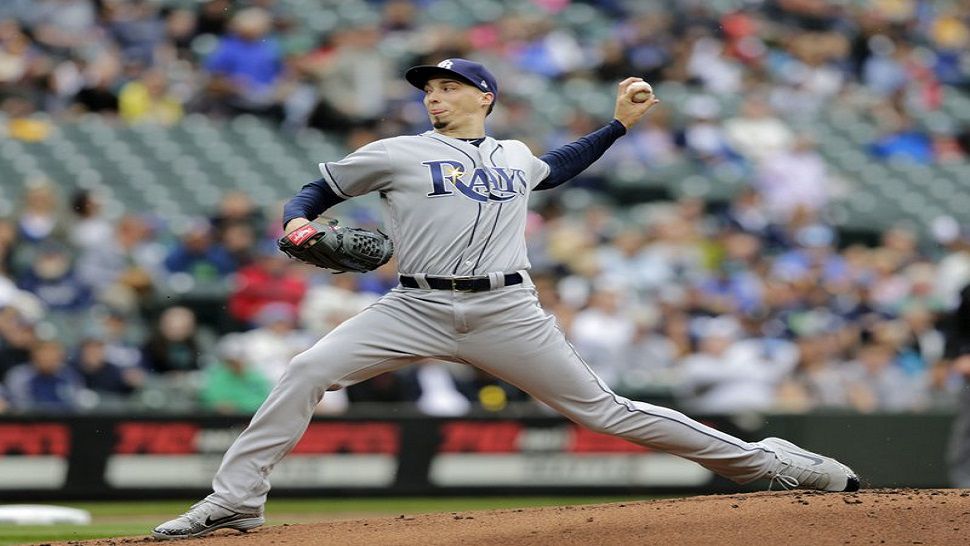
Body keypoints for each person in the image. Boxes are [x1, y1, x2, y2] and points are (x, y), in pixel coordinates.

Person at [152, 58, 859, 540]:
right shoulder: (397, 152)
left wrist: (619, 126)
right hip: (414, 306)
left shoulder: (514, 156)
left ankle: (768, 463)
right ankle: (237, 501)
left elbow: (559, 167)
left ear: (483, 97)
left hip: (506, 310)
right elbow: (315, 190)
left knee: (607, 411)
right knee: (306, 371)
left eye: (449, 87)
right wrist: (297, 223)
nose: (434, 95)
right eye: (428, 88)